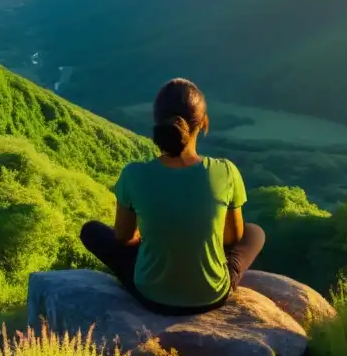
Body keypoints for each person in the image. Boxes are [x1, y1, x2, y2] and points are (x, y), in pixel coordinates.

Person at [80, 78, 265, 315]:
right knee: (254, 232)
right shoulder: (226, 171)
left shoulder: (134, 174)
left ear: (157, 123)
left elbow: (124, 237)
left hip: (152, 295)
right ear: (204, 123)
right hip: (211, 296)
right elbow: (231, 238)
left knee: (92, 231)